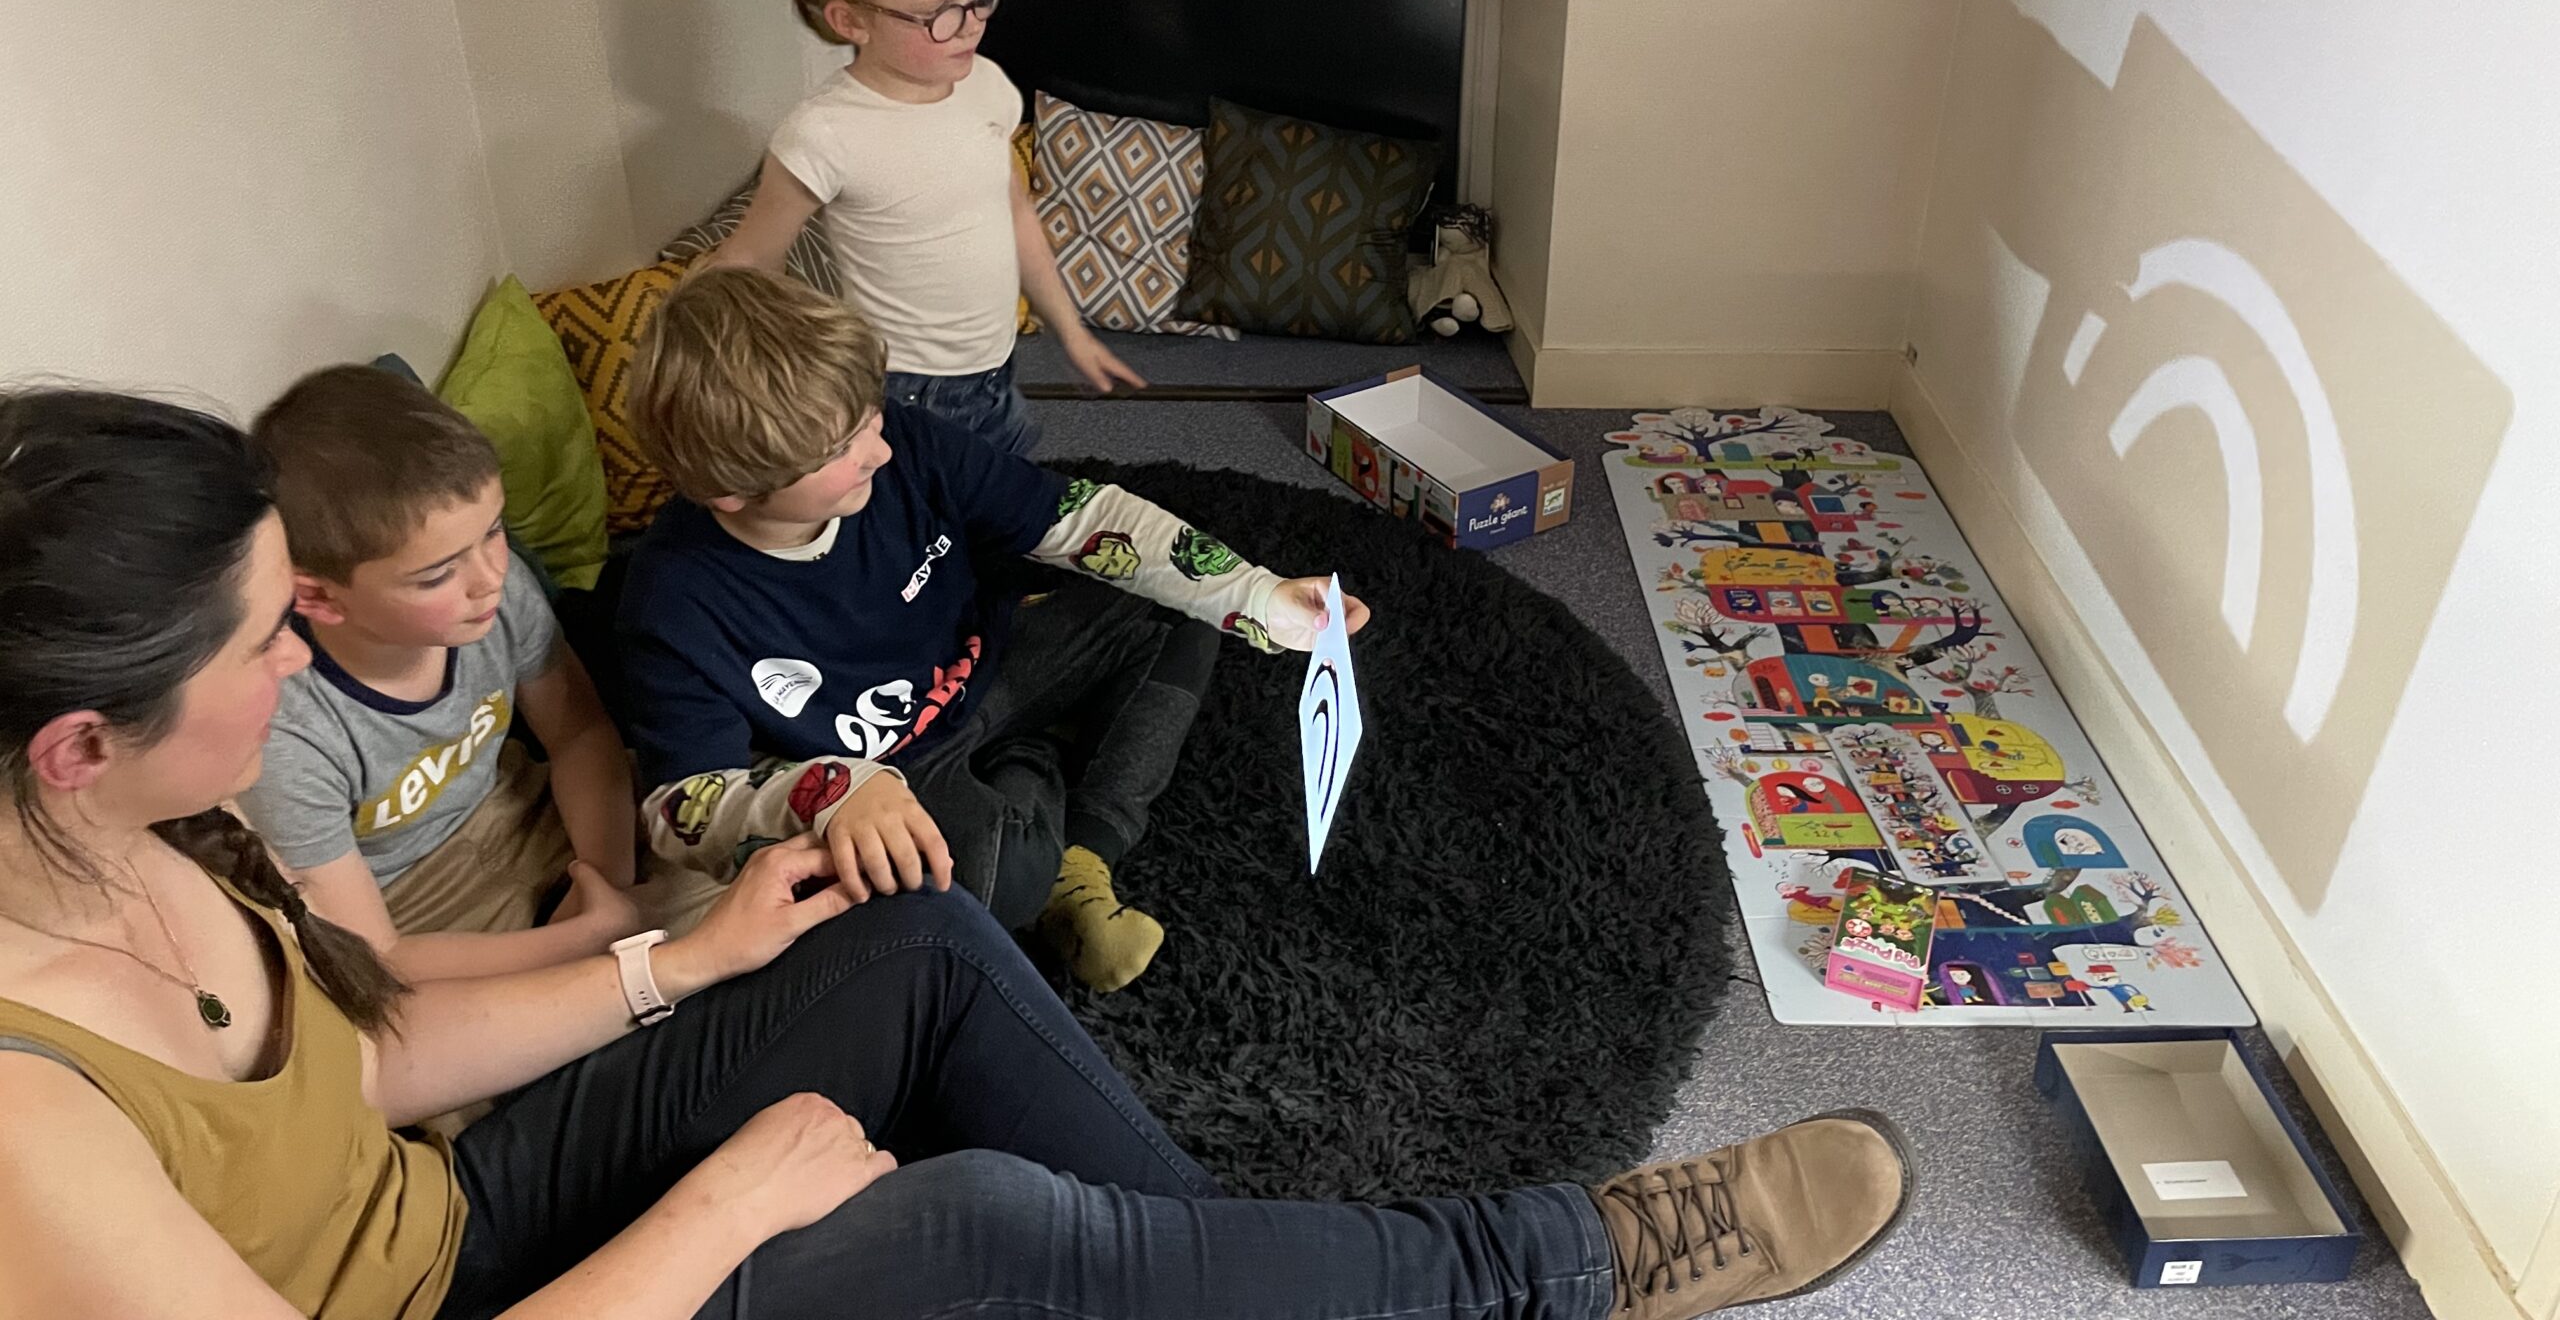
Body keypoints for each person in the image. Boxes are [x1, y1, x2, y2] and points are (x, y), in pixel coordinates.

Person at [0, 385, 1913, 1320]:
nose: (296, 662)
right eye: (262, 643)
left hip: (456, 1201)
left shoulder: (150, 835)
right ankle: (1557, 1265)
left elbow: (377, 1062)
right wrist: (724, 1209)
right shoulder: (26, 1118)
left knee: (909, 938)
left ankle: (1248, 1289)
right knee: (985, 1219)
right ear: (81, 742)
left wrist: (684, 961)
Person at [617, 266, 1368, 992]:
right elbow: (681, 806)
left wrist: (1261, 597)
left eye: (870, 414)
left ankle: (1084, 846)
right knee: (990, 877)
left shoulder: (905, 442)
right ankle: (1046, 806)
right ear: (733, 490)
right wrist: (833, 791)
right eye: (840, 449)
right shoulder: (670, 602)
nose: (879, 449)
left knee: (1180, 604)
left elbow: (1080, 517)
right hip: (894, 772)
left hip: (996, 661)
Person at [697, 0, 1141, 454]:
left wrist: (1071, 331)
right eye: (938, 13)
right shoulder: (825, 133)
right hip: (904, 392)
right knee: (933, 513)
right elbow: (750, 260)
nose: (972, 24)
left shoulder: (986, 84)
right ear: (851, 21)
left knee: (1007, 494)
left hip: (996, 371)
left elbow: (1015, 213)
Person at [230, 366, 650, 980]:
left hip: (538, 818)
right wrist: (587, 936)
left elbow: (579, 733)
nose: (490, 578)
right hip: (416, 910)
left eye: (494, 531)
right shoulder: (288, 730)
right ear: (317, 597)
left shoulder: (495, 595)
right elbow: (376, 953)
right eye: (437, 575)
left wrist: (606, 883)